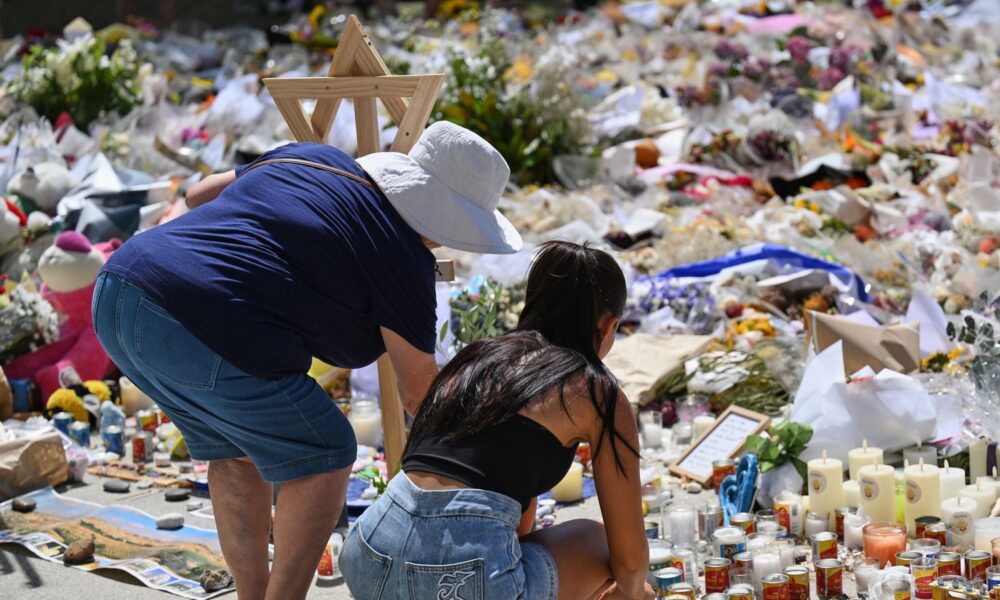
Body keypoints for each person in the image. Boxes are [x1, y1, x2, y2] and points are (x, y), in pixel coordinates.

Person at [92, 121, 522, 600]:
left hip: (119, 291)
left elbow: (198, 195)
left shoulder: (315, 158)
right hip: (196, 323)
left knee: (236, 455)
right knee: (326, 453)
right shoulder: (403, 256)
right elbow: (420, 394)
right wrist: (490, 465)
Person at [339, 241, 654, 600]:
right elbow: (630, 560)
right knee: (595, 539)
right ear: (609, 326)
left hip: (368, 553)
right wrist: (633, 593)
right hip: (461, 581)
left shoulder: (477, 358)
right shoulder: (596, 391)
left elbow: (515, 515)